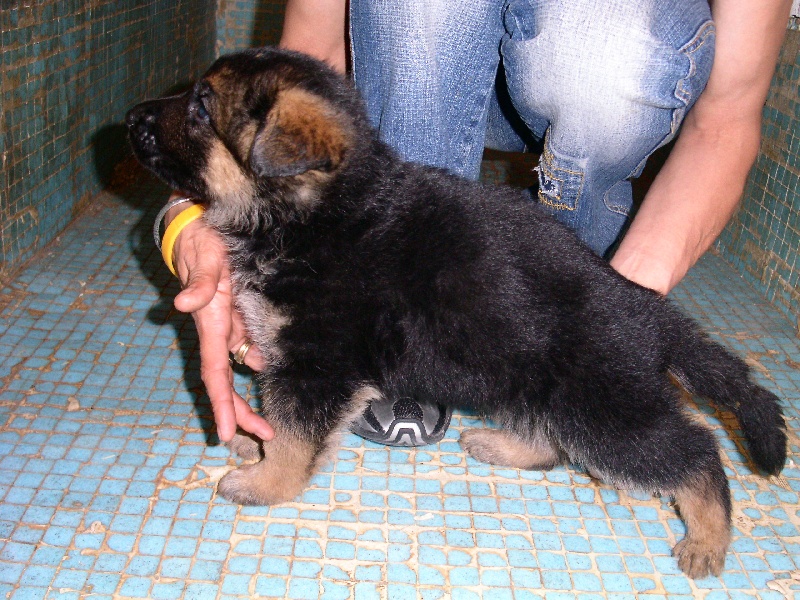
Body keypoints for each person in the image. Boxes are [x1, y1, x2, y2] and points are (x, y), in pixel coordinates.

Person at [159, 0, 792, 446]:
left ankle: (546, 341)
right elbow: (304, 63)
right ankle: (397, 323)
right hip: (429, 65)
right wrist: (197, 217)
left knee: (605, 51)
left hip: (585, 68)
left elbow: (727, 117)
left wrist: (604, 329)